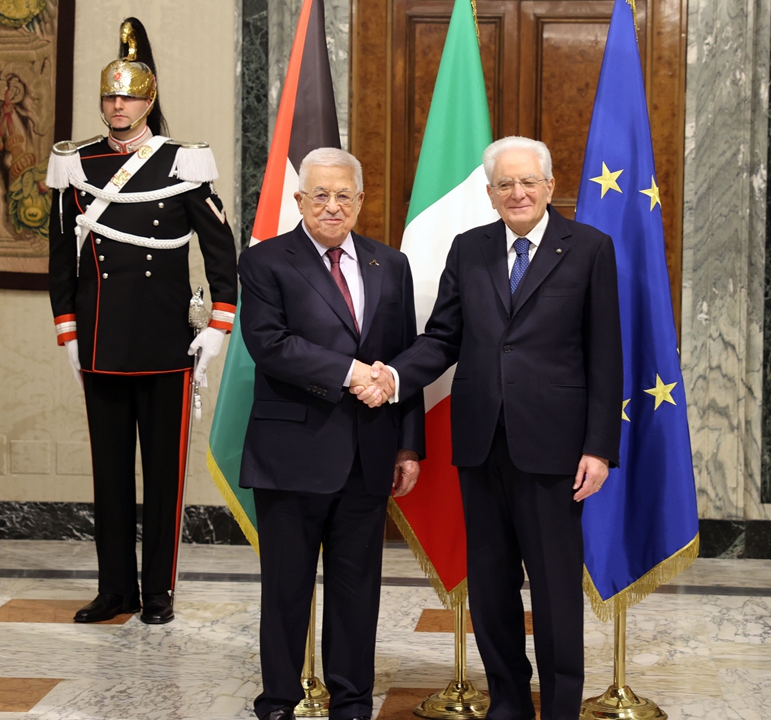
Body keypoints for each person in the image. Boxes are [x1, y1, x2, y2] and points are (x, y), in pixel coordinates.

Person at [355, 136, 622, 720]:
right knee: (492, 589)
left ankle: (559, 708)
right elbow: (445, 337)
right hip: (480, 444)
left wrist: (600, 448)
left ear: (551, 186)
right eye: (505, 184)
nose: (518, 193)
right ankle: (506, 700)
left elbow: (606, 355)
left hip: (555, 450)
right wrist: (393, 376)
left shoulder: (589, 248)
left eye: (529, 182)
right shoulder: (469, 247)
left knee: (554, 594)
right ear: (490, 192)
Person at [47, 18, 237, 625]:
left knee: (162, 476)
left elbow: (220, 250)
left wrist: (217, 326)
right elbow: (60, 258)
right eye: (110, 96)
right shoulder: (76, 166)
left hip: (164, 340)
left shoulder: (184, 161)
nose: (118, 106)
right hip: (101, 338)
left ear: (149, 102)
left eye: (129, 96)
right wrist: (68, 331)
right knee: (109, 474)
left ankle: (158, 591)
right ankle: (114, 590)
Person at [236, 147, 425, 720]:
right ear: (299, 200)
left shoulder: (388, 264)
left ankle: (352, 704)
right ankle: (278, 702)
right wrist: (350, 374)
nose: (332, 205)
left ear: (361, 201)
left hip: (368, 455)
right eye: (320, 194)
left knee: (356, 595)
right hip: (292, 455)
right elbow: (270, 345)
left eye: (344, 194)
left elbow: (403, 356)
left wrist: (408, 443)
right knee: (287, 592)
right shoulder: (266, 261)